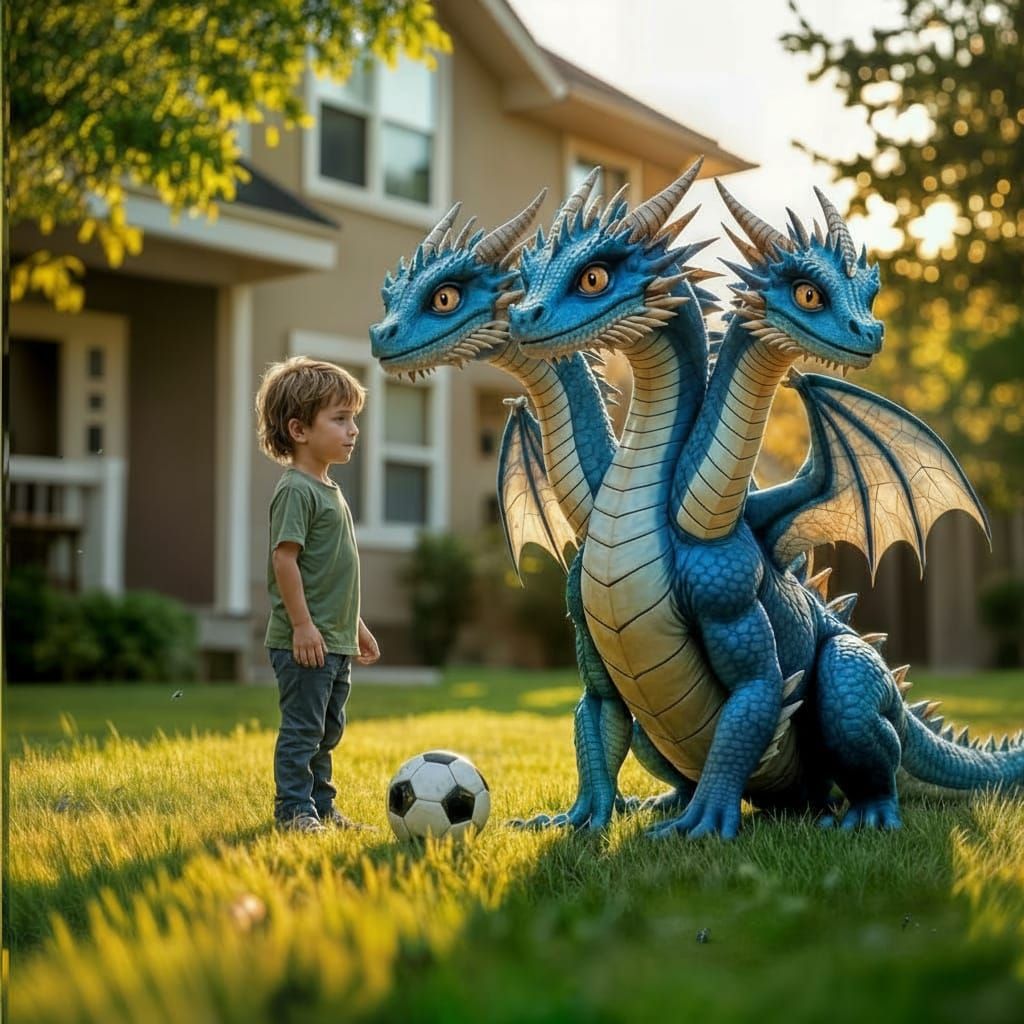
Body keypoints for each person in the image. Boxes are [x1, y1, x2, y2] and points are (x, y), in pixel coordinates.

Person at [255, 355, 380, 833]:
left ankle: (322, 807)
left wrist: (356, 626)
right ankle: (293, 810)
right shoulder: (296, 490)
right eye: (340, 419)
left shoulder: (330, 490)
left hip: (334, 638)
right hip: (306, 641)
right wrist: (303, 626)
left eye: (354, 419)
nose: (353, 430)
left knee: (327, 730)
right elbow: (284, 560)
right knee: (303, 729)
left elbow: (334, 575)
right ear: (299, 429)